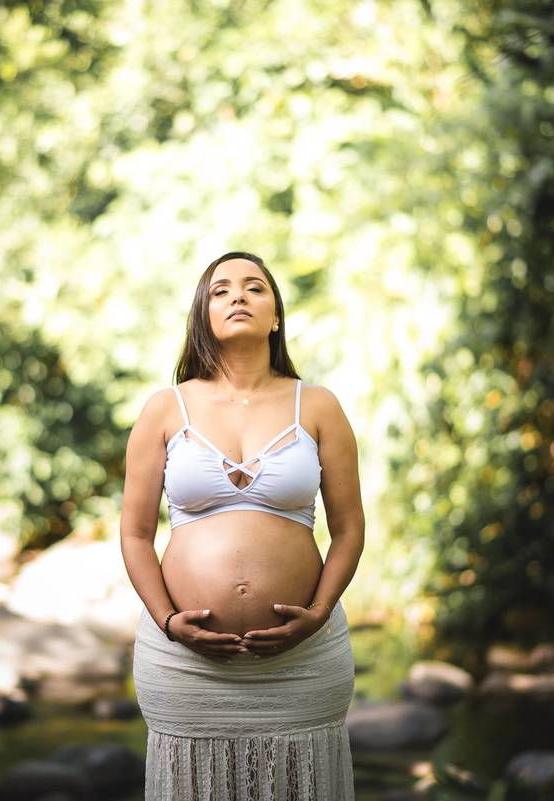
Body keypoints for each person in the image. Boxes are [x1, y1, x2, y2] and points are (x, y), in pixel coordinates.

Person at [120, 251, 365, 800]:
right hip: (186, 664)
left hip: (303, 658)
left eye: (255, 288)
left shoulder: (319, 406)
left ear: (275, 316)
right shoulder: (165, 409)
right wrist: (166, 621)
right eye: (221, 289)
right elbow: (135, 535)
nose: (237, 296)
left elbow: (348, 530)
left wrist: (319, 615)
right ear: (202, 315)